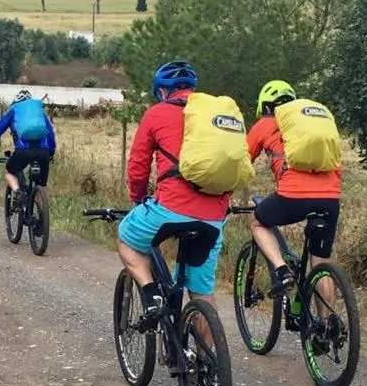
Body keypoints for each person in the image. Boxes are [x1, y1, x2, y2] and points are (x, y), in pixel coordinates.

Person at [117, 60, 232, 328]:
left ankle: (152, 295)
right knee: (203, 293)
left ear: (162, 91)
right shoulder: (214, 116)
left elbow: (138, 166)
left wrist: (137, 198)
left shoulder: (156, 113)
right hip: (213, 216)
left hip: (169, 208)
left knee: (126, 239)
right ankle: (204, 364)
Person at [247, 80, 342, 296]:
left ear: (267, 107)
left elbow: (243, 162)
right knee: (319, 264)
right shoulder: (313, 125)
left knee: (257, 221)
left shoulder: (264, 124)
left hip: (293, 195)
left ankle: (282, 271)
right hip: (330, 198)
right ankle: (327, 325)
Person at [0, 89, 56, 209]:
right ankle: (42, 223)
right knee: (39, 187)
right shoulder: (39, 113)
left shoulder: (14, 110)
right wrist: (51, 152)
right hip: (43, 152)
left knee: (9, 171)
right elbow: (50, 134)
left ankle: (17, 192)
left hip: (23, 152)